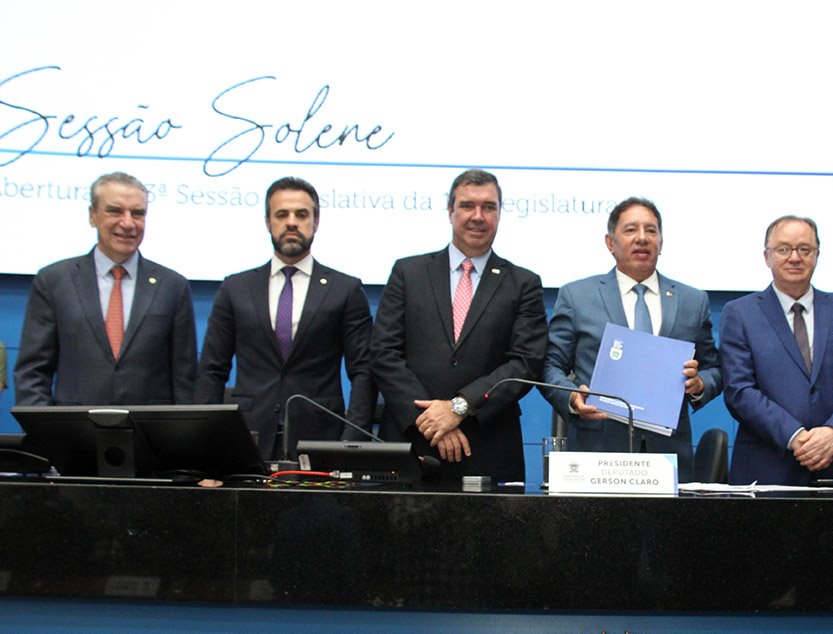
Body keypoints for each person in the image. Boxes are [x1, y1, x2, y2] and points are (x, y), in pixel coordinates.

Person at [369, 169, 547, 482]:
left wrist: (460, 407)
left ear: (499, 214)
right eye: (467, 206)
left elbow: (524, 364)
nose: (477, 216)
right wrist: (431, 421)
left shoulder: (523, 284)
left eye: (489, 207)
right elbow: (384, 353)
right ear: (450, 211)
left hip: (488, 445)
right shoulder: (408, 273)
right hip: (412, 441)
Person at [195, 177, 375, 460]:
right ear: (268, 222)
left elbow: (364, 371)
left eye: (302, 215)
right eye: (282, 214)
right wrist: (207, 445)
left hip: (320, 440)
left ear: (316, 222)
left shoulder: (346, 290)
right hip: (247, 438)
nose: (292, 222)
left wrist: (351, 443)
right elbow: (211, 369)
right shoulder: (235, 288)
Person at [542, 197, 722, 477]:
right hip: (597, 452)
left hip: (668, 454)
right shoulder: (577, 296)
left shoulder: (692, 301)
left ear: (661, 242)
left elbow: (714, 369)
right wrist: (572, 396)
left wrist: (699, 385)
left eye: (651, 230)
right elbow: (550, 364)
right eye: (630, 230)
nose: (642, 238)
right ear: (610, 242)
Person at [14, 172, 196, 406]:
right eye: (115, 211)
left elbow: (185, 379)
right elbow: (32, 372)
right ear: (92, 215)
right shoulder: (54, 281)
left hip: (148, 437)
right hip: (73, 436)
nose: (128, 223)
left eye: (138, 213)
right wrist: (48, 433)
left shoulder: (173, 286)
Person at [721, 215, 833, 485]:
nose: (795, 257)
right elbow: (740, 390)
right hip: (766, 469)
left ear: (817, 255)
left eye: (804, 249)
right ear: (767, 256)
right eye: (783, 249)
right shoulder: (740, 313)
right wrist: (796, 437)